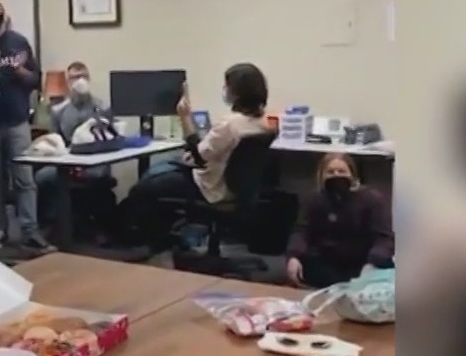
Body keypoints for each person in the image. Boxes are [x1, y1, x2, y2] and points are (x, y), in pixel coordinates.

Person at [118, 63, 272, 251]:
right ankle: (162, 237)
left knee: (145, 187)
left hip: (210, 189)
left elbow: (199, 158)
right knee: (161, 172)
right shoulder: (262, 123)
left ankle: (141, 240)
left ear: (237, 92)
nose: (224, 90)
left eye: (227, 86)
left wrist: (185, 117)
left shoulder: (230, 124)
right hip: (234, 190)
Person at [0, 0, 54, 252]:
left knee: (24, 179)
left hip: (17, 119)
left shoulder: (18, 42)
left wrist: (21, 71)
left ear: (4, 15)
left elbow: (35, 79)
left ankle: (31, 230)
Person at [284, 153, 394, 288]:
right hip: (325, 262)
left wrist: (373, 263)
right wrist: (294, 256)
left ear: (352, 175)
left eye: (342, 171)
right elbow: (301, 230)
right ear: (321, 176)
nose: (336, 175)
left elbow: (384, 238)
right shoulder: (315, 199)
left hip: (362, 262)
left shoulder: (371, 200)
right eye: (330, 172)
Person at [34, 61, 111, 229]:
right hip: (66, 161)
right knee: (41, 177)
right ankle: (49, 226)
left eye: (83, 76)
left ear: (89, 78)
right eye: (74, 77)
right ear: (68, 82)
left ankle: (99, 229)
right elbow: (54, 139)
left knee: (98, 179)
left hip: (95, 161)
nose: (79, 81)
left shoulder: (101, 107)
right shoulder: (59, 110)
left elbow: (109, 138)